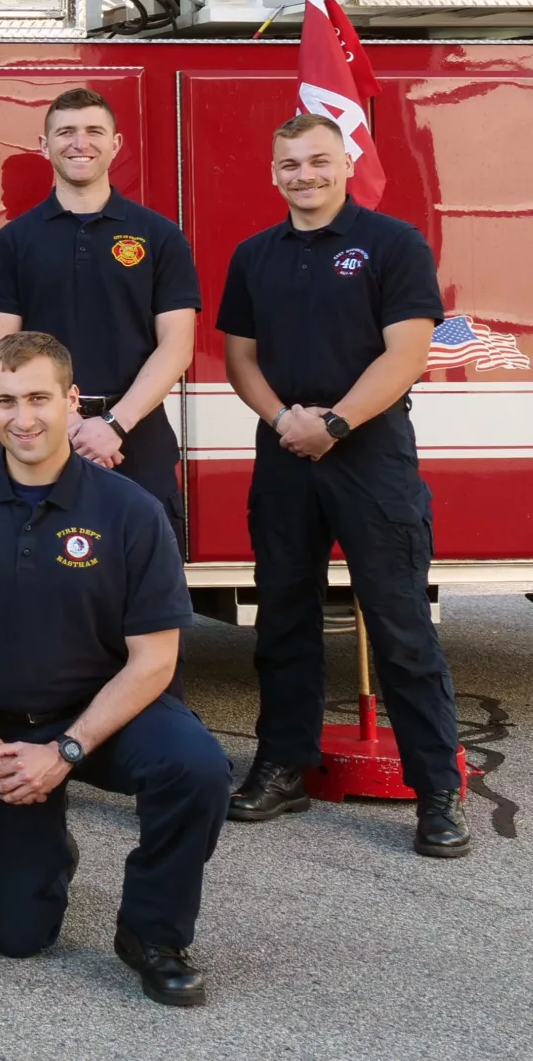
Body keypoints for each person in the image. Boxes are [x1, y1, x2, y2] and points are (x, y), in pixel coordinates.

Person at [0, 330, 230, 1006]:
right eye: (8, 401)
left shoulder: (130, 511)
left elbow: (155, 659)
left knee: (196, 767)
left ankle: (154, 933)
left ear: (72, 400)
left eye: (41, 398)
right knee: (20, 936)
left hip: (100, 717)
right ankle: (46, 852)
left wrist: (68, 748)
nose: (25, 418)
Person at [216, 114, 467, 856]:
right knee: (283, 623)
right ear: (273, 173)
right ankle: (284, 766)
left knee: (400, 627)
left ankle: (436, 791)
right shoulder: (255, 254)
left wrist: (335, 424)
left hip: (371, 457)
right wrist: (285, 421)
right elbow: (240, 358)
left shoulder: (393, 244)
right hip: (285, 456)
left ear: (346, 162)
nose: (305, 174)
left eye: (319, 161)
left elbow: (407, 354)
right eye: (289, 163)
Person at [0, 88, 199, 525]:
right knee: (50, 578)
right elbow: (4, 351)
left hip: (139, 436)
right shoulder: (15, 240)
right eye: (66, 132)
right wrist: (70, 423)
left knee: (150, 581)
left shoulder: (158, 235)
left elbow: (177, 346)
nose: (80, 143)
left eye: (94, 131)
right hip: (45, 434)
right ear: (45, 146)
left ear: (115, 144)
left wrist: (113, 425)